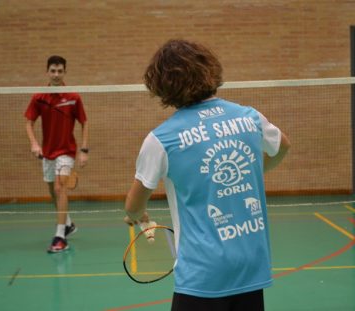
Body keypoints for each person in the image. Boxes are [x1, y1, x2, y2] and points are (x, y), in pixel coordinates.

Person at [124, 39, 290, 311]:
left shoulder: (161, 139)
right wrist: (254, 172)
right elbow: (282, 146)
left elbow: (133, 205)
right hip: (252, 266)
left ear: (163, 84)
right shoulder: (249, 118)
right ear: (209, 69)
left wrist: (136, 216)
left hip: (202, 275)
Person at [25, 55, 89, 253]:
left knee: (61, 188)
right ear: (47, 72)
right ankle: (68, 224)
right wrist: (34, 143)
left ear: (64, 73)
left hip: (67, 151)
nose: (56, 74)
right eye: (53, 71)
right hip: (48, 152)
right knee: (53, 191)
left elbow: (84, 122)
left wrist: (84, 150)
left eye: (60, 71)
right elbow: (29, 122)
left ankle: (60, 236)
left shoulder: (73, 97)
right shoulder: (39, 97)